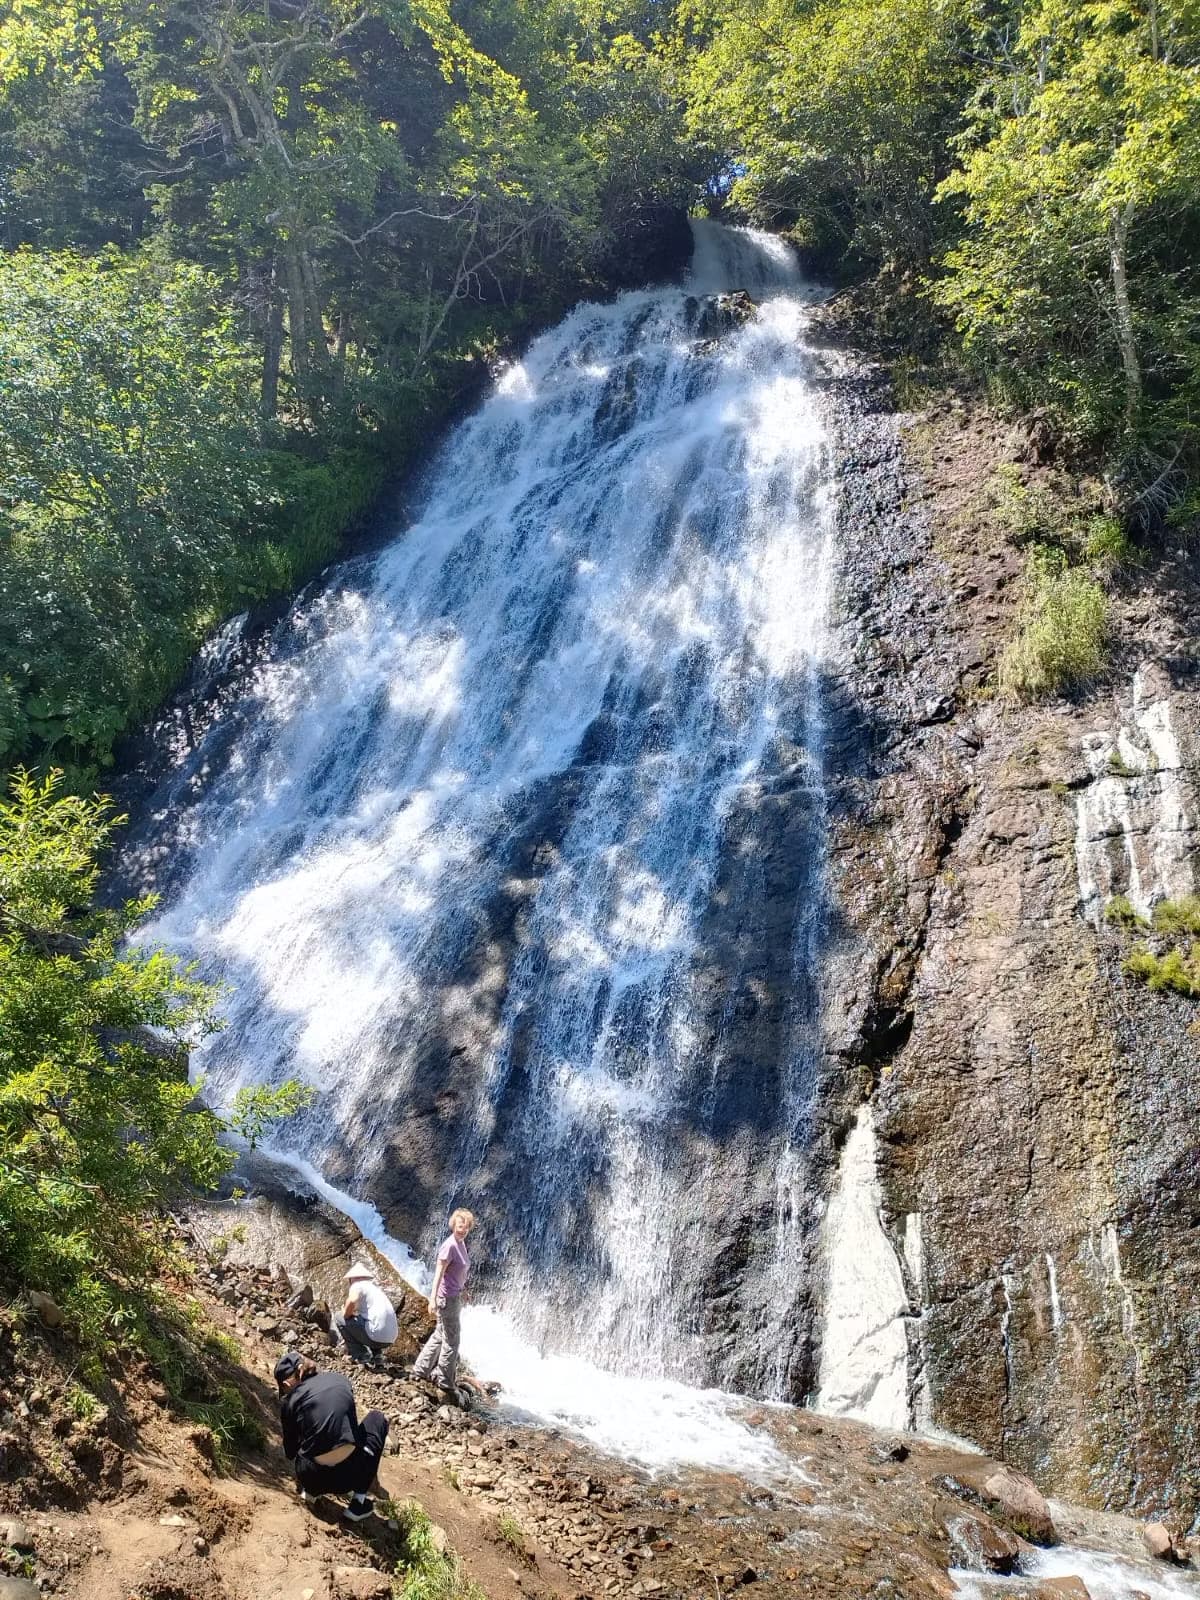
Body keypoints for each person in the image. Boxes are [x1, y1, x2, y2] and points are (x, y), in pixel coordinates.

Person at [275, 1352, 388, 1522]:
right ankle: (358, 1503)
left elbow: (291, 1452)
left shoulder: (290, 1401)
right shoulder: (339, 1380)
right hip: (350, 1476)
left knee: (307, 1441)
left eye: (283, 1389)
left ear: (286, 1383)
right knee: (377, 1418)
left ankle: (311, 1492)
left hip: (311, 1476)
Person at [412, 1207, 474, 1397]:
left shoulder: (460, 1243)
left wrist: (464, 1291)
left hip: (454, 1295)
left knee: (440, 1334)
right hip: (447, 1297)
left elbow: (458, 1272)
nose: (462, 1229)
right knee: (452, 1339)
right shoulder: (450, 1245)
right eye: (460, 1225)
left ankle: (420, 1369)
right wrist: (432, 1298)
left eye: (466, 1227)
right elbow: (439, 1272)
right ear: (453, 1224)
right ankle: (445, 1379)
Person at [335, 1260, 399, 1368]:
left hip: (376, 1336)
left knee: (338, 1317)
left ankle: (361, 1355)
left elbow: (352, 1301)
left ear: (352, 1278)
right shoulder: (374, 1289)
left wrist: (345, 1313)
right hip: (391, 1338)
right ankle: (378, 1357)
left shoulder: (357, 1285)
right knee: (369, 1321)